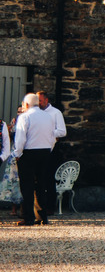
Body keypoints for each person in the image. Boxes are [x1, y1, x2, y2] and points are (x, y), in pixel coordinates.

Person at [13, 93, 57, 226]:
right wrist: (49, 149)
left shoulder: (25, 117)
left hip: (29, 153)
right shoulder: (48, 117)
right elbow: (52, 136)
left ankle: (28, 217)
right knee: (41, 185)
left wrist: (17, 153)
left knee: (27, 186)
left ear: (26, 104)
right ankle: (42, 216)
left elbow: (21, 138)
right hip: (44, 152)